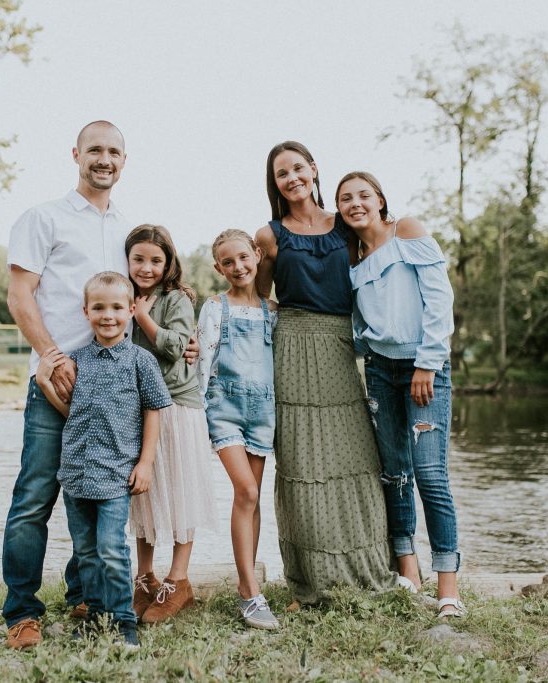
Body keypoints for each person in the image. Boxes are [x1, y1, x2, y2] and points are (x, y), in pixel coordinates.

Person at [2, 121, 131, 650]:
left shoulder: (128, 229)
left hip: (110, 391)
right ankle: (22, 612)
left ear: (125, 160)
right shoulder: (43, 218)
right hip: (55, 385)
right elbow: (19, 295)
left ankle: (84, 596)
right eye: (95, 150)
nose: (105, 159)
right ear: (76, 154)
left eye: (114, 152)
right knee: (35, 498)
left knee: (95, 492)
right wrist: (50, 356)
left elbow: (143, 293)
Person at [254, 141, 397, 606]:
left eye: (298, 168)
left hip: (339, 347)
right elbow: (255, 299)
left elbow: (382, 268)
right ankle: (308, 582)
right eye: (282, 173)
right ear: (274, 183)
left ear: (314, 170)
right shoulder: (270, 235)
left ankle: (365, 571)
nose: (292, 178)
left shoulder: (346, 226)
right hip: (291, 347)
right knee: (300, 464)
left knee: (355, 459)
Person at [338, 171, 464, 618]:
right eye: (346, 198)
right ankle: (409, 576)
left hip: (422, 366)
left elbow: (438, 298)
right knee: (394, 473)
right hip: (379, 371)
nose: (355, 203)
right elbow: (358, 324)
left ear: (379, 200)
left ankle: (448, 588)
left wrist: (429, 362)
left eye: (363, 195)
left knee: (430, 473)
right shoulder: (351, 257)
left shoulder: (406, 231)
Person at [34, 271, 173, 647]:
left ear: (130, 310)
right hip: (77, 473)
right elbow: (72, 412)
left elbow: (155, 411)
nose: (107, 315)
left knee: (111, 550)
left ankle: (124, 622)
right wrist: (47, 384)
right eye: (98, 307)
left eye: (115, 307)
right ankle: (96, 617)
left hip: (115, 475)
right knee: (86, 553)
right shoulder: (76, 361)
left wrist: (145, 463)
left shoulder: (140, 361)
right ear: (86, 311)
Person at [124, 224, 217, 623]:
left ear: (168, 263)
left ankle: (178, 581)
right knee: (143, 493)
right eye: (138, 259)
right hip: (136, 406)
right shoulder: (122, 295)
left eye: (155, 260)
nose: (146, 267)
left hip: (177, 405)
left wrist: (143, 317)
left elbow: (178, 347)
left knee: (179, 492)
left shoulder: (175, 299)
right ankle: (144, 577)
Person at [197, 229, 280, 629]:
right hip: (224, 408)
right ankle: (249, 593)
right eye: (227, 262)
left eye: (243, 258)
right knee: (244, 490)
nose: (238, 267)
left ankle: (249, 585)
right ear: (218, 268)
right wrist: (199, 413)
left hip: (263, 411)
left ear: (258, 255)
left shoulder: (272, 310)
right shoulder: (215, 307)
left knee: (254, 498)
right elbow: (203, 362)